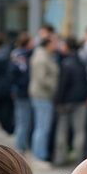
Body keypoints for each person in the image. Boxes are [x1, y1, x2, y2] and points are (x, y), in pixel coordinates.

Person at [53, 36, 87, 166]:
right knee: (80, 131)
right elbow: (86, 81)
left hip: (66, 102)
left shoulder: (65, 63)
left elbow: (62, 85)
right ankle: (79, 159)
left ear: (67, 46)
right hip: (80, 100)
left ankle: (60, 158)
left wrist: (58, 101)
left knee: (62, 130)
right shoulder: (82, 62)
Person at [27, 28, 60, 162]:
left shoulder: (44, 55)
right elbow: (42, 78)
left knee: (42, 126)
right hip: (42, 96)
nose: (56, 46)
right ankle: (39, 155)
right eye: (54, 43)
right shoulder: (41, 57)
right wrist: (54, 85)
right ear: (48, 44)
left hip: (43, 95)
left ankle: (40, 153)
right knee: (42, 127)